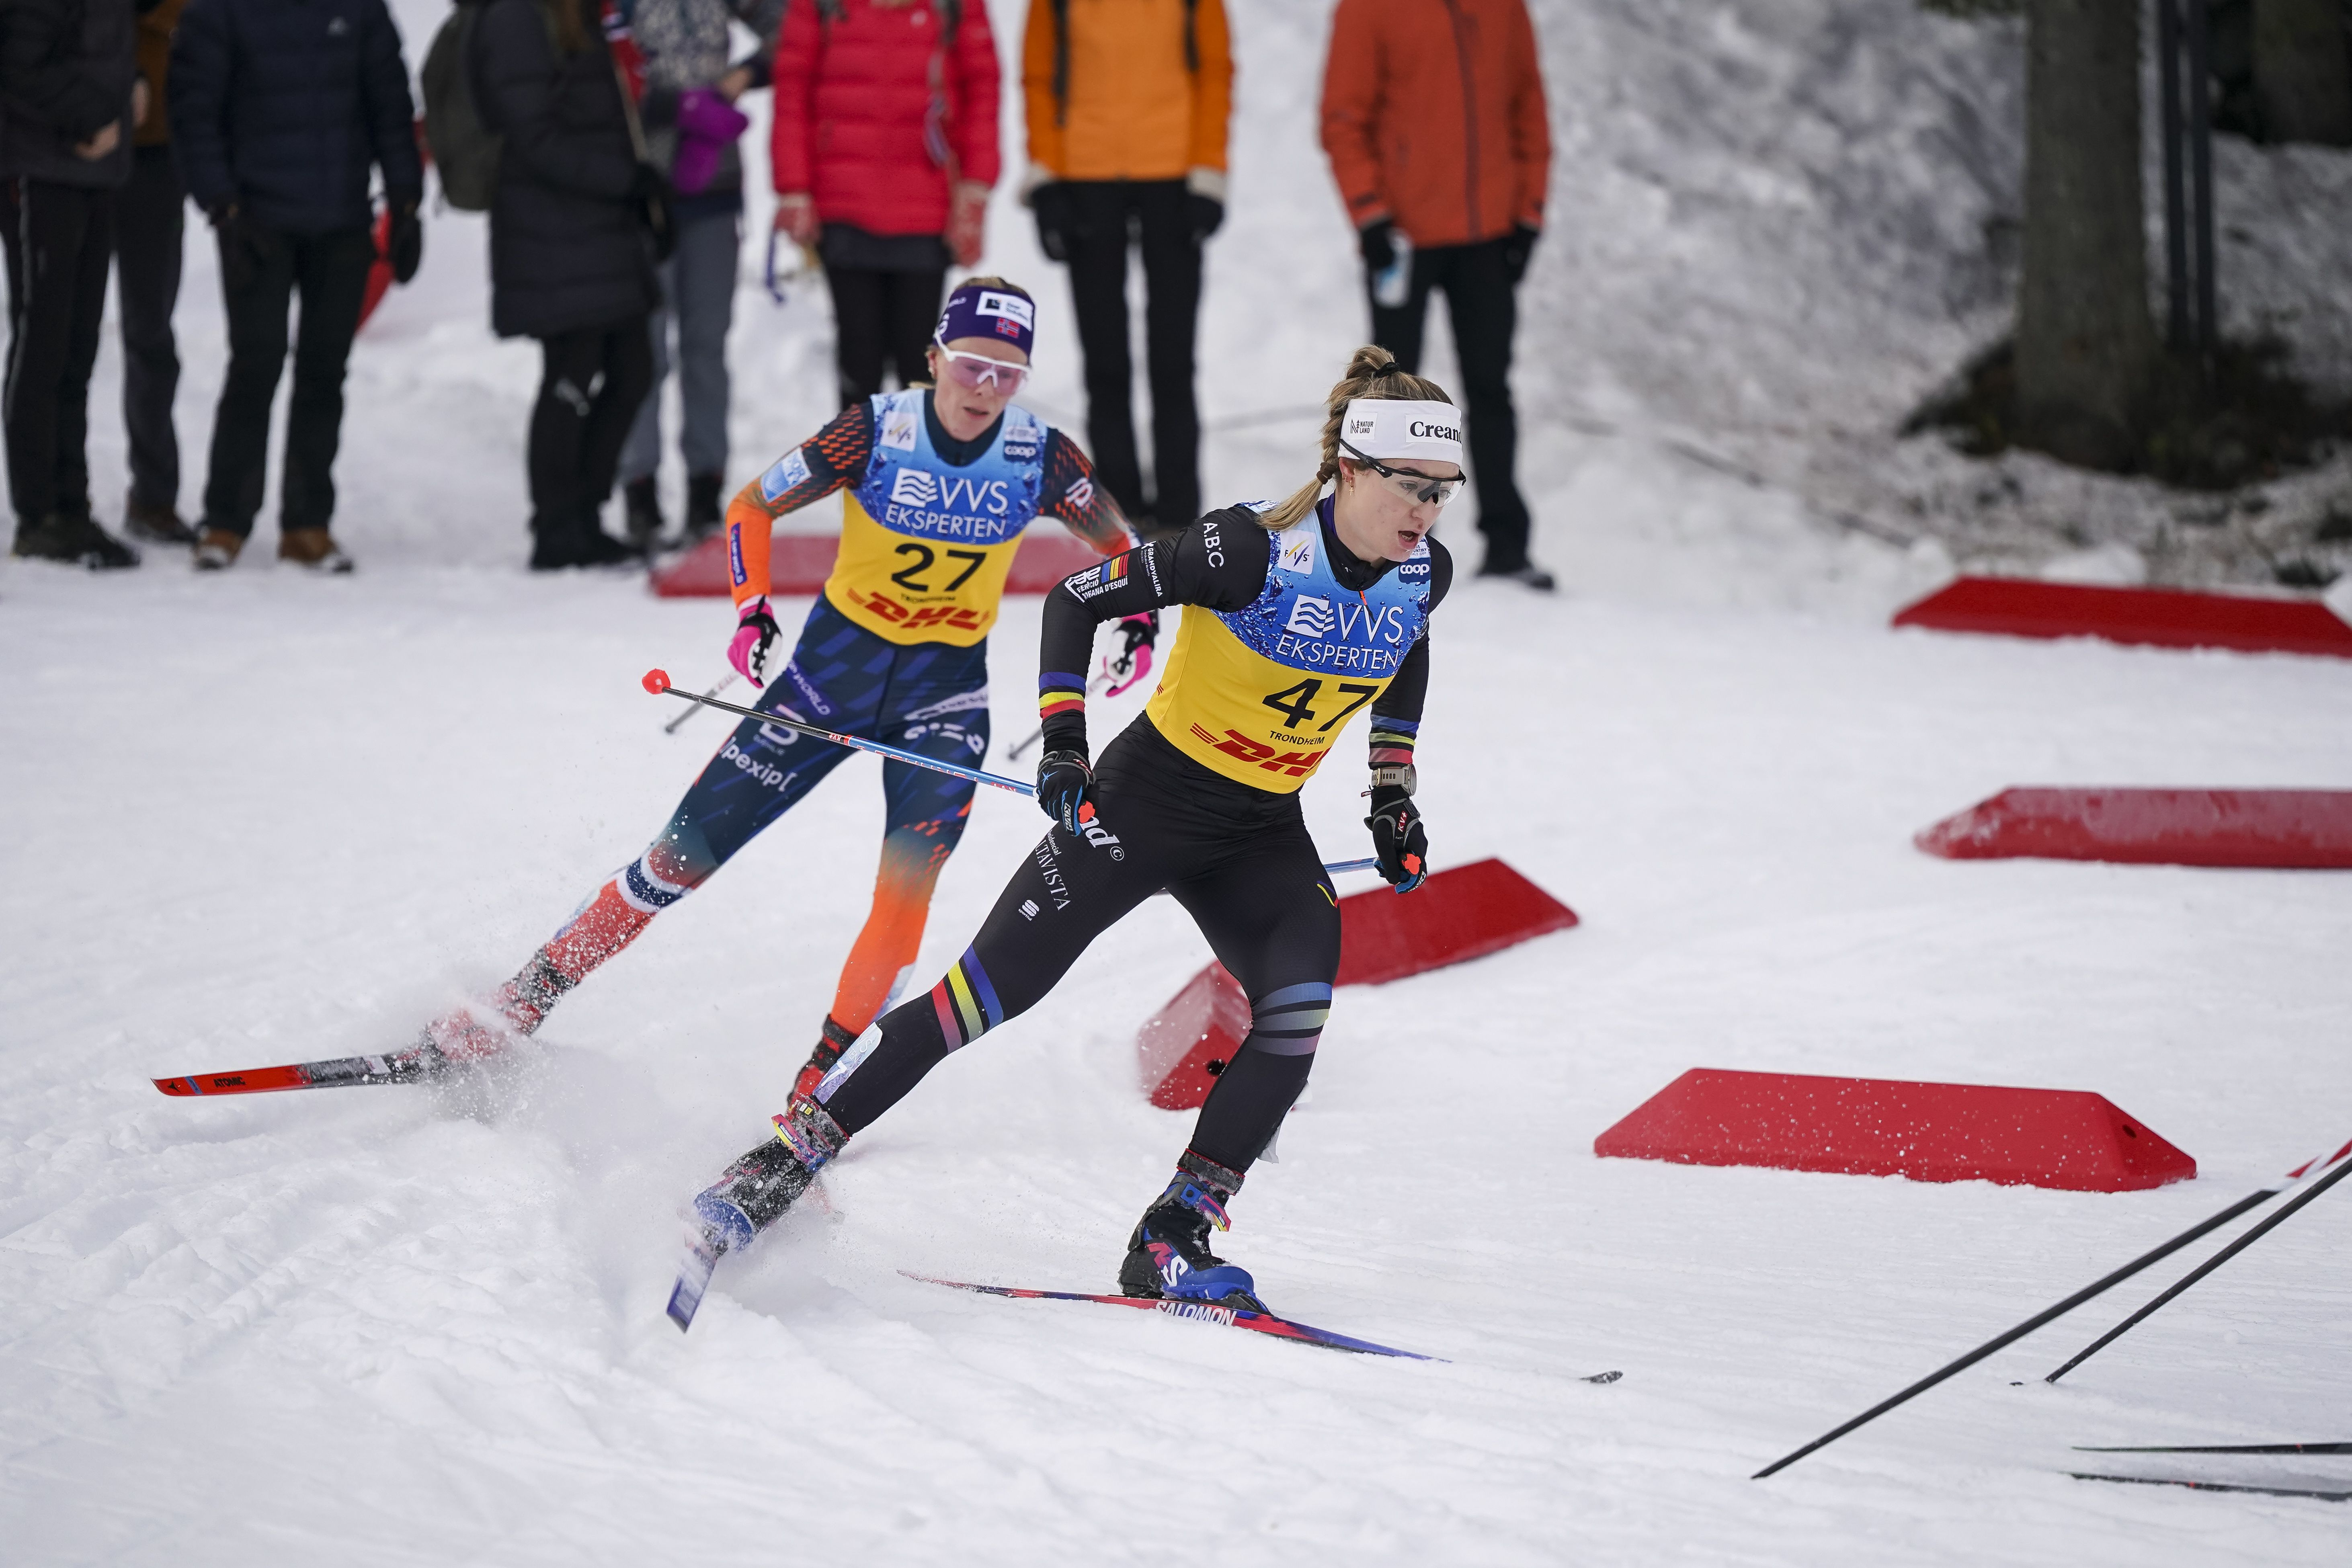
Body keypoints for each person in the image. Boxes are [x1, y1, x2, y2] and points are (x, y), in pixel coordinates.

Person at [686, 344, 1456, 1316]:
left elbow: (1406, 654)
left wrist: (1390, 793)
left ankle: (1172, 1235)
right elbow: (1075, 597)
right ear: (1348, 469)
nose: (1425, 512)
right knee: (979, 997)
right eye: (1408, 486)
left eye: (1442, 491)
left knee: (1297, 1012)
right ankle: (782, 1157)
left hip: (1261, 830)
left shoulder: (1420, 572)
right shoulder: (1247, 550)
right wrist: (1064, 744)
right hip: (1140, 805)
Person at [412, 279, 1147, 1109]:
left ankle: (817, 1085)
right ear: (934, 357)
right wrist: (751, 607)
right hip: (824, 686)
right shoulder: (875, 430)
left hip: (944, 704)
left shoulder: (1040, 455)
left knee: (904, 896)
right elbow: (752, 505)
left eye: (1008, 374)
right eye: (972, 364)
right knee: (672, 864)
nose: (985, 387)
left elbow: (1121, 547)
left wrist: (1139, 623)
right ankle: (523, 1000)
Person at [171, 0, 423, 574]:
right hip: (255, 221)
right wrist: (221, 205)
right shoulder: (221, 11)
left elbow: (388, 99)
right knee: (255, 363)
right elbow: (194, 107)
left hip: (341, 218)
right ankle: (226, 520)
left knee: (324, 368)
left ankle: (308, 522)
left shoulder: (359, 10)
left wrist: (405, 198)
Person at [1320, 0, 1552, 589]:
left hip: (1488, 234)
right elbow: (1343, 117)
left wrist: (1527, 215)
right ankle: (1380, 547)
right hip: (1399, 237)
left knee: (1490, 388)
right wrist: (1369, 216)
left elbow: (1528, 105)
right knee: (1392, 403)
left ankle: (1506, 545)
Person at [1021, 0, 1229, 537]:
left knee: (1173, 357)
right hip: (1084, 175)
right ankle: (1117, 511)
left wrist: (1207, 170)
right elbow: (1038, 76)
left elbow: (1214, 69)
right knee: (1104, 357)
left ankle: (1181, 513)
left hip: (1174, 176)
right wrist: (1046, 178)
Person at [472, 0, 663, 570]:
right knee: (572, 375)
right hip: (549, 228)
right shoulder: (514, 17)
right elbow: (532, 134)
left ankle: (583, 511)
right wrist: (624, 181)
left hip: (595, 228)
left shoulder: (577, 13)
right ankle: (557, 525)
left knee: (632, 368)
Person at [770, 0, 999, 411]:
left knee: (921, 367)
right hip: (842, 205)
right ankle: (859, 472)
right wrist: (794, 188)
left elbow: (982, 86)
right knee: (859, 364)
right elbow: (792, 88)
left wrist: (976, 187)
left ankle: (919, 472)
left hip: (927, 208)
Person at [615, 0, 782, 549]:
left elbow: (791, 29)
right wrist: (663, 103)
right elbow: (588, 64)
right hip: (641, 190)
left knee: (705, 347)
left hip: (714, 185)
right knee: (645, 350)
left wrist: (742, 75)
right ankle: (639, 490)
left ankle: (704, 489)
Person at [1, 0, 142, 570]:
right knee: (43, 342)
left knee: (79, 348)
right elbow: (16, 61)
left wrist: (128, 86)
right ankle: (38, 514)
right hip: (41, 169)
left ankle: (71, 506)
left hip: (94, 174)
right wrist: (92, 114)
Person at [116, 0, 191, 545]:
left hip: (159, 151)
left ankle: (153, 494)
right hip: (66, 144)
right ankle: (50, 503)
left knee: (151, 333)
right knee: (55, 336)